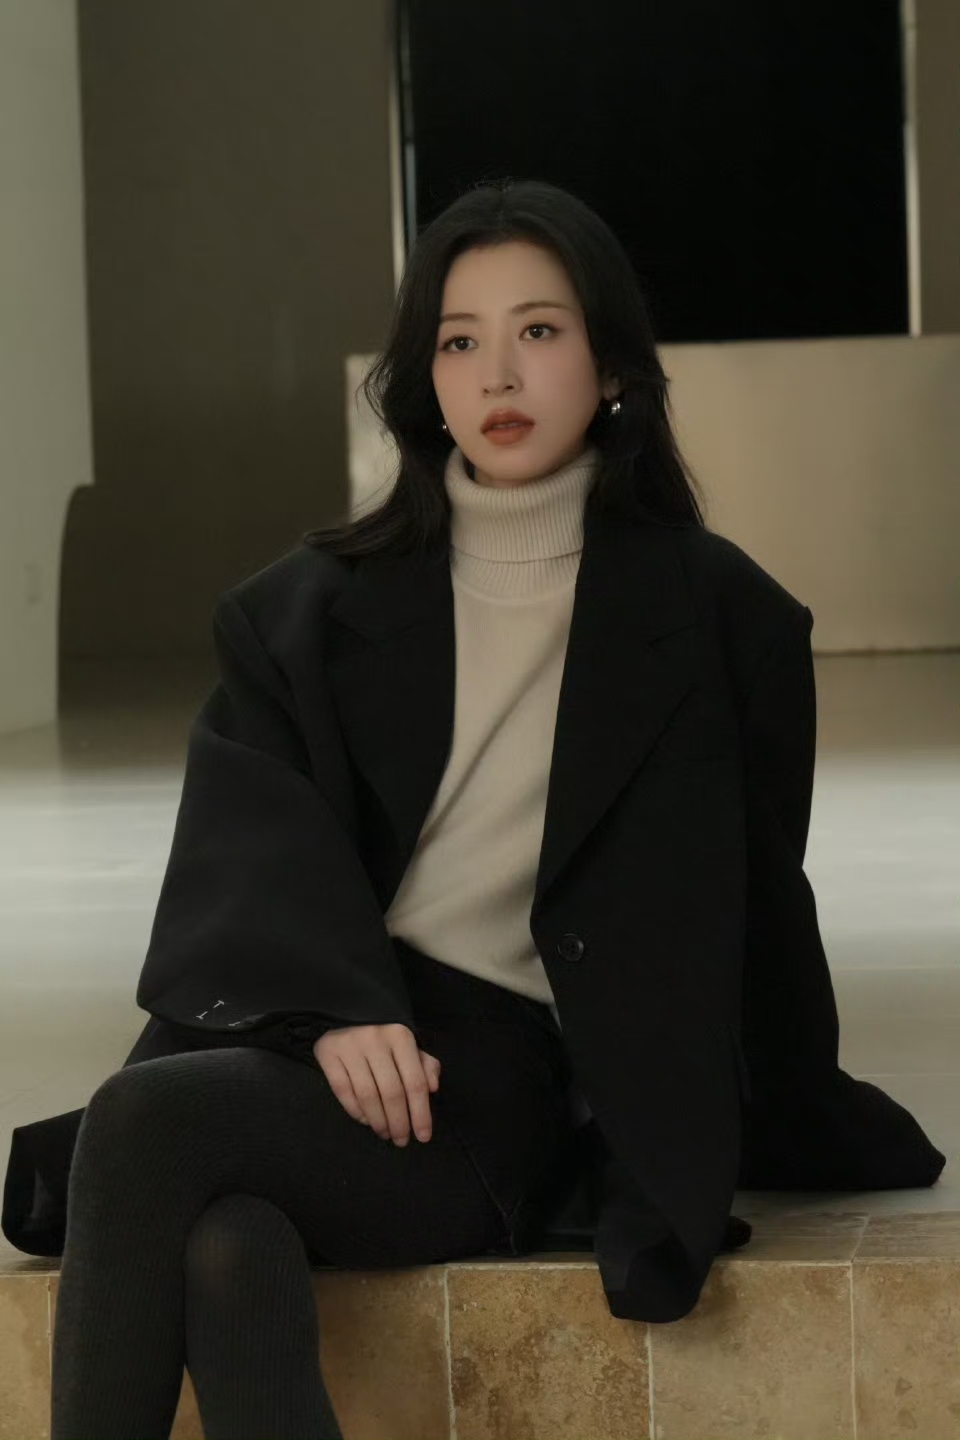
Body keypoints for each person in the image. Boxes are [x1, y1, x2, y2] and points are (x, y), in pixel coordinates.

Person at [3, 178, 945, 1440]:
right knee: (228, 1244)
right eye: (459, 341)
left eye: (538, 331)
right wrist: (338, 1004)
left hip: (490, 1085)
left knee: (144, 1125)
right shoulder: (302, 611)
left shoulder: (723, 619)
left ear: (612, 366)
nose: (497, 372)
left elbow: (747, 892)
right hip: (316, 1029)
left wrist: (736, 1107)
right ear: (426, 381)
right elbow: (253, 837)